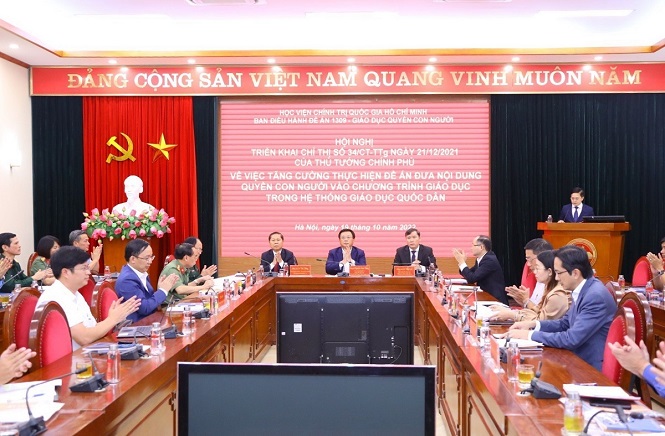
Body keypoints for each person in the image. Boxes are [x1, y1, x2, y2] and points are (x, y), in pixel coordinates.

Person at [508, 245, 616, 370]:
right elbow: (564, 323)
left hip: (588, 367)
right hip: (575, 358)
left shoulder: (595, 296)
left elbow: (571, 339)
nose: (556, 278)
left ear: (575, 273)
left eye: (559, 273)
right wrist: (533, 325)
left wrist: (529, 335)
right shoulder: (583, 288)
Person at [36, 246, 141, 351]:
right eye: (84, 268)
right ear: (65, 272)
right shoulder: (57, 297)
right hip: (72, 359)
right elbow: (84, 338)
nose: (89, 272)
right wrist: (112, 319)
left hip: (87, 353)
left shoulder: (75, 293)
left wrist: (114, 317)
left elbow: (91, 329)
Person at [489, 250, 571, 322]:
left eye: (537, 269)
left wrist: (512, 315)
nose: (534, 272)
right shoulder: (548, 287)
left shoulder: (557, 295)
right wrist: (510, 311)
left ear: (549, 271)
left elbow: (539, 322)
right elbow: (536, 311)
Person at [115, 239, 178, 323]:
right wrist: (163, 290)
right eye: (146, 258)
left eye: (151, 257)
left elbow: (150, 302)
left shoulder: (141, 273)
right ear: (133, 259)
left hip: (150, 319)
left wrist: (160, 290)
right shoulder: (127, 280)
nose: (150, 261)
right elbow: (145, 308)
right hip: (137, 325)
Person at [453, 235, 508, 305]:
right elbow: (469, 274)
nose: (471, 248)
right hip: (485, 296)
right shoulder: (481, 259)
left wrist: (462, 262)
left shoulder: (489, 260)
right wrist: (462, 262)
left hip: (494, 299)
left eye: (473, 245)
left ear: (481, 247)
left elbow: (472, 278)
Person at [505, 238, 553, 308]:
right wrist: (522, 300)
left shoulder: (555, 287)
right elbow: (534, 307)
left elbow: (542, 313)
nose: (528, 264)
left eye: (530, 259)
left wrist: (526, 300)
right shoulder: (541, 278)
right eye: (527, 260)